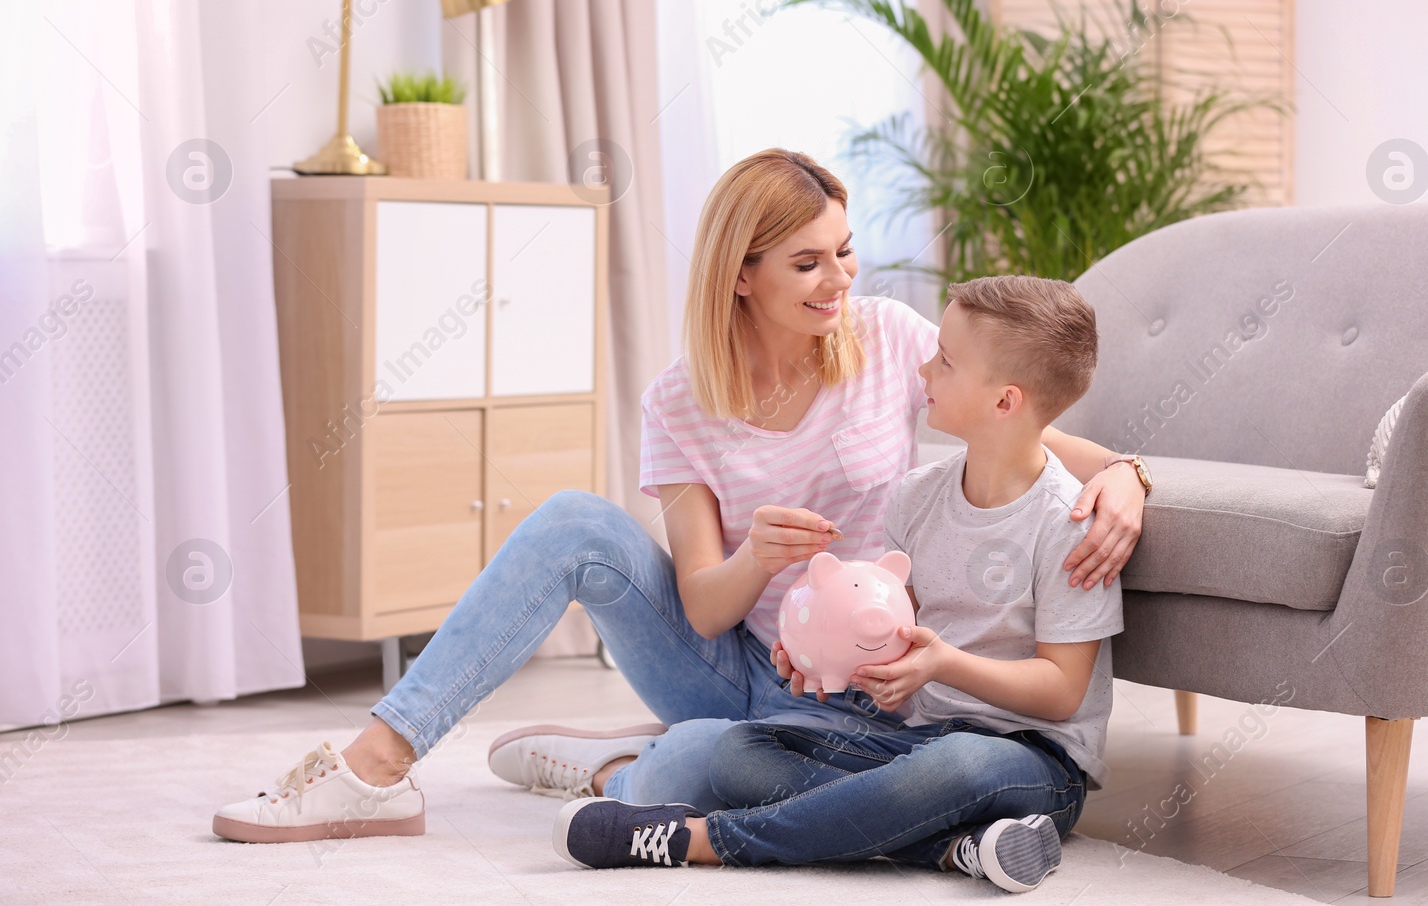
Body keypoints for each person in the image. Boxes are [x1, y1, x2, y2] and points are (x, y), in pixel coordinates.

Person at [212, 151, 1148, 845]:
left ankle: (628, 761)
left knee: (698, 764)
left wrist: (1128, 479)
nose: (841, 280)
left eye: (845, 252)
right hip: (741, 660)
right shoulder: (680, 399)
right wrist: (759, 557)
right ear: (741, 273)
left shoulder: (891, 341)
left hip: (875, 687)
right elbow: (703, 602)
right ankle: (378, 767)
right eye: (807, 263)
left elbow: (1039, 435)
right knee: (573, 522)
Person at [551, 275, 1131, 896]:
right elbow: (895, 630)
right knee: (740, 755)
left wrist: (943, 665)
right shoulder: (916, 497)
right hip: (913, 740)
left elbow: (1063, 692)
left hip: (1028, 759)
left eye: (945, 360)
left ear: (1005, 402)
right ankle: (953, 848)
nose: (923, 367)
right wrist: (819, 650)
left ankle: (702, 841)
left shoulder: (1069, 524)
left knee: (958, 764)